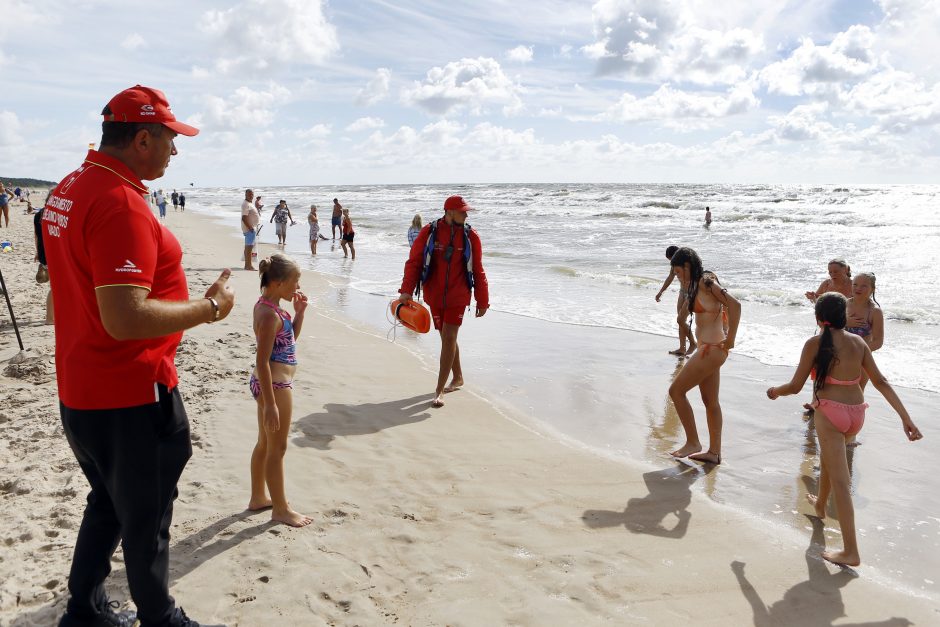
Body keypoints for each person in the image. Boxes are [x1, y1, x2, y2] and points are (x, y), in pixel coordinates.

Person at [43, 84, 233, 627]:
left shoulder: (72, 185)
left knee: (106, 500)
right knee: (146, 514)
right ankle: (159, 617)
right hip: (130, 390)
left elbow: (67, 292)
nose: (176, 152)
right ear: (143, 138)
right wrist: (209, 308)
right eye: (173, 141)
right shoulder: (118, 200)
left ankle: (83, 608)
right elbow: (124, 318)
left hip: (82, 385)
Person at [766, 293, 922, 567]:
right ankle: (819, 506)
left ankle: (851, 551)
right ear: (845, 316)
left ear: (818, 318)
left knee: (841, 480)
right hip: (856, 413)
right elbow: (881, 381)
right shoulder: (859, 342)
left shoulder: (814, 343)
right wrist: (906, 418)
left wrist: (775, 392)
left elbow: (795, 385)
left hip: (829, 411)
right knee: (830, 458)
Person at [398, 195, 489, 408]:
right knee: (446, 337)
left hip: (459, 295)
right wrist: (406, 291)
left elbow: (478, 269)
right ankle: (458, 377)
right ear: (449, 212)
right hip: (434, 295)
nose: (466, 214)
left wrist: (482, 299)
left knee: (449, 337)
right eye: (462, 211)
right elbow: (414, 262)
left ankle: (439, 390)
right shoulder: (429, 233)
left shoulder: (471, 236)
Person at [248, 254, 313, 528]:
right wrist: (271, 403)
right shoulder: (267, 314)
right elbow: (261, 361)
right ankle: (281, 509)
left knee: (265, 444)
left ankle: (258, 497)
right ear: (276, 281)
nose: (298, 286)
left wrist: (299, 314)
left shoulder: (273, 307)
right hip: (274, 386)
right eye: (294, 281)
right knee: (278, 448)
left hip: (270, 385)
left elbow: (288, 341)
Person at [667, 247, 741, 464]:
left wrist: (732, 339)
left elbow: (735, 305)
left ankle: (693, 442)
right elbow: (681, 318)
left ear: (688, 266)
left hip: (713, 349)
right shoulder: (693, 286)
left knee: (676, 391)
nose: (677, 277)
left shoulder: (706, 282)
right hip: (706, 349)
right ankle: (714, 453)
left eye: (679, 272)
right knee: (710, 401)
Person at [655, 244, 696, 356]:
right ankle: (682, 348)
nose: (671, 262)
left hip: (691, 293)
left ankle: (693, 343)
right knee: (680, 321)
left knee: (681, 319)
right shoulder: (674, 265)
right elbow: (670, 278)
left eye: (671, 259)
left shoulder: (688, 263)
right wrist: (661, 292)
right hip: (682, 292)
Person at [33, 194, 53, 324]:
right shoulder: (53, 215)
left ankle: (51, 316)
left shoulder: (38, 214)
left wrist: (37, 252)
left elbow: (36, 236)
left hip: (43, 253)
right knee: (55, 287)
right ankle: (50, 318)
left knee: (54, 286)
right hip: (52, 254)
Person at [241, 188, 259, 271]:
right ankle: (248, 265)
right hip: (249, 229)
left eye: (252, 194)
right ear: (246, 194)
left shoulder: (249, 203)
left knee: (248, 247)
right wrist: (250, 227)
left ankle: (247, 265)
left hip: (252, 228)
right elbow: (244, 218)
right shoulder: (246, 204)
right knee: (249, 247)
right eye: (249, 194)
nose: (251, 196)